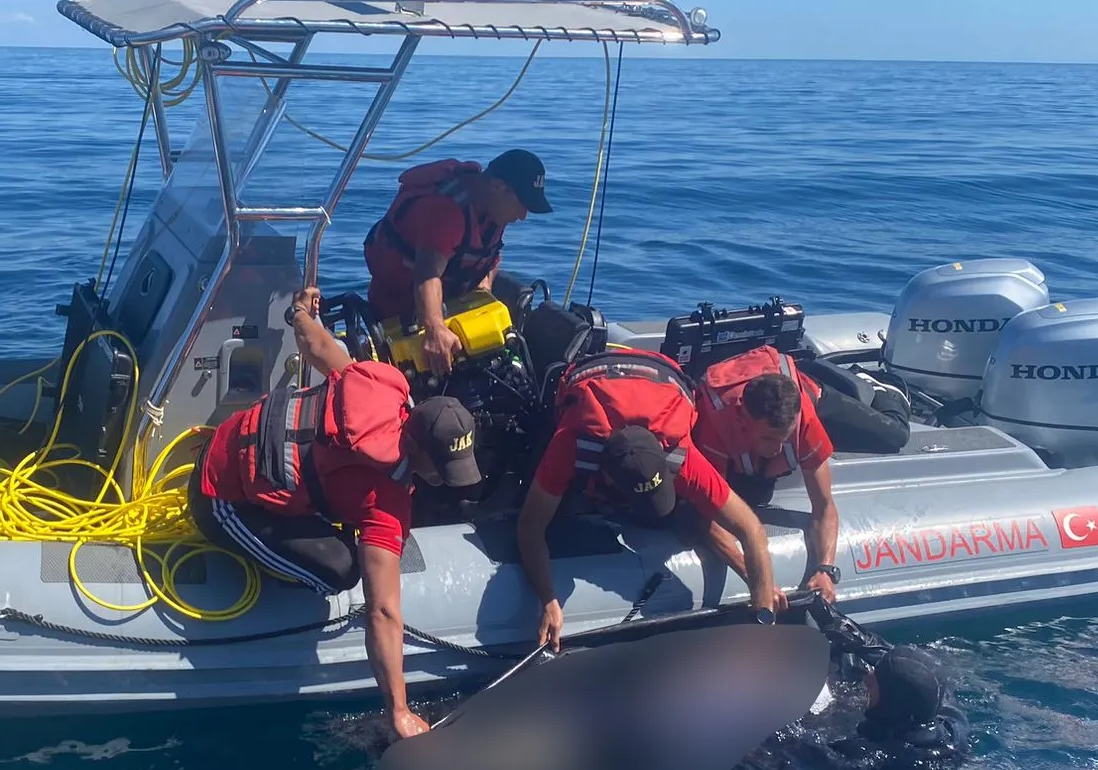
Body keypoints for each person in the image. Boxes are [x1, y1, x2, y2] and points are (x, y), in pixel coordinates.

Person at [193, 287, 481, 738]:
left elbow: (317, 344)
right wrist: (399, 710)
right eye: (441, 471)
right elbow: (382, 612)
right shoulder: (385, 503)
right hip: (221, 497)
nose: (445, 481)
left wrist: (301, 310)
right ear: (419, 452)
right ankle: (278, 575)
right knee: (340, 572)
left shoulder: (381, 383)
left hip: (235, 436)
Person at [517, 348, 782, 651]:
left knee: (678, 517)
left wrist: (763, 613)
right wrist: (549, 599)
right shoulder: (572, 444)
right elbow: (530, 527)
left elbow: (750, 528)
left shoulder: (681, 457)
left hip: (657, 380)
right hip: (595, 384)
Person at [362, 149, 553, 374]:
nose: (523, 215)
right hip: (398, 317)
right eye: (522, 204)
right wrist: (434, 331)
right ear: (498, 187)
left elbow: (488, 256)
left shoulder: (493, 209)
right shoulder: (447, 211)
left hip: (452, 304)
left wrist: (482, 299)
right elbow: (427, 274)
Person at [693, 347, 843, 604]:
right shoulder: (715, 425)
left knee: (893, 433)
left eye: (782, 439)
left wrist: (825, 569)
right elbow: (707, 517)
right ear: (743, 420)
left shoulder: (802, 424)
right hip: (730, 412)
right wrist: (757, 578)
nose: (776, 449)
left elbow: (824, 505)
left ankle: (870, 387)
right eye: (767, 438)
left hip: (811, 394)